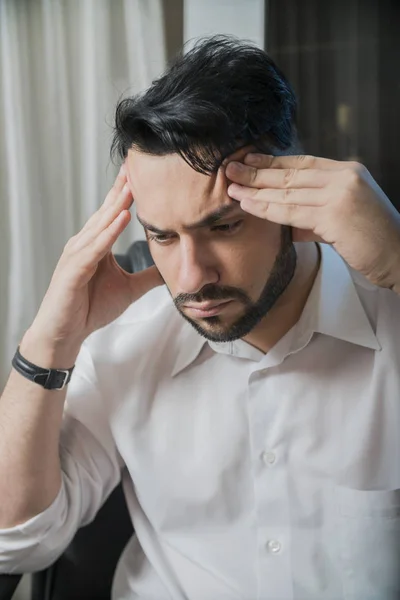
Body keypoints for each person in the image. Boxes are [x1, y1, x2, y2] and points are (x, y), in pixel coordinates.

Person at [0, 35, 400, 600]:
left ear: (293, 202)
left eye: (223, 227)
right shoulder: (124, 345)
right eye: (162, 236)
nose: (189, 280)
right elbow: (16, 543)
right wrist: (49, 342)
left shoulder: (391, 312)